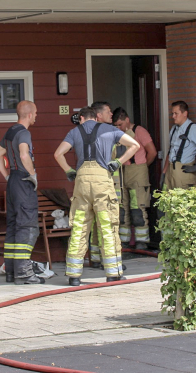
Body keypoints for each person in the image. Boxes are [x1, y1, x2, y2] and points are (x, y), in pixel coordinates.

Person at [53, 106, 140, 286]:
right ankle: (113, 273)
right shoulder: (110, 130)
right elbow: (135, 146)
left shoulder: (74, 131)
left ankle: (74, 276)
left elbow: (58, 154)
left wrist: (69, 170)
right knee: (107, 227)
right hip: (102, 180)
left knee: (79, 227)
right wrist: (117, 162)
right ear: (96, 117)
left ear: (82, 118)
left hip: (82, 181)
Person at [0, 100, 44, 285]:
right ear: (29, 114)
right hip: (23, 181)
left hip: (12, 182)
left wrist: (7, 176)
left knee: (13, 227)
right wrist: (33, 175)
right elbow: (24, 155)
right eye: (36, 112)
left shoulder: (10, 131)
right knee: (28, 226)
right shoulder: (24, 133)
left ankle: (11, 271)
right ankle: (24, 273)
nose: (36, 116)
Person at [112, 106, 157, 250]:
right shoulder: (117, 134)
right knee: (123, 208)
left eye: (120, 124)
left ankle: (142, 241)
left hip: (137, 171)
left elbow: (152, 152)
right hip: (122, 172)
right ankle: (124, 240)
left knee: (138, 207)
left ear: (127, 120)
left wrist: (142, 166)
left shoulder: (139, 131)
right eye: (116, 126)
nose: (119, 128)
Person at [88, 101, 120, 269]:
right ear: (99, 115)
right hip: (105, 183)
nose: (111, 114)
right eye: (108, 111)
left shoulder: (86, 132)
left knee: (95, 222)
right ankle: (108, 260)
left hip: (92, 183)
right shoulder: (107, 132)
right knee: (107, 222)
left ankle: (95, 257)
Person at [162, 101, 196, 190]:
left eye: (176, 113)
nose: (173, 116)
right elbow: (170, 151)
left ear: (185, 113)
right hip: (170, 171)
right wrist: (164, 172)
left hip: (184, 171)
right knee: (167, 201)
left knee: (183, 202)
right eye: (172, 113)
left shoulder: (193, 129)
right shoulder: (174, 129)